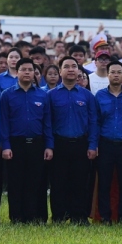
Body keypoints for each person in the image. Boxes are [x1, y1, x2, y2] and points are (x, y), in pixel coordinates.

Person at [0, 57, 53, 224]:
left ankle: (33, 217)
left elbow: (47, 123)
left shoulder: (42, 95)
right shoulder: (7, 95)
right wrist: (6, 146)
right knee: (16, 183)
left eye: (30, 70)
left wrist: (49, 146)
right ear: (17, 72)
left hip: (37, 144)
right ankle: (16, 217)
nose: (27, 73)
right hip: (15, 144)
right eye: (24, 70)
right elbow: (4, 123)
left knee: (35, 182)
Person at [48, 58, 99, 224]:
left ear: (79, 71)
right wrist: (49, 146)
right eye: (66, 67)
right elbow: (47, 123)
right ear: (60, 72)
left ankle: (79, 216)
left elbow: (93, 122)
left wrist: (92, 145)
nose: (70, 70)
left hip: (81, 144)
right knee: (58, 183)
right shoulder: (51, 95)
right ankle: (59, 216)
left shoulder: (87, 96)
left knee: (80, 182)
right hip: (59, 144)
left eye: (74, 67)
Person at [93, 60, 122, 223]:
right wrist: (94, 144)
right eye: (113, 72)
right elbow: (96, 122)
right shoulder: (99, 95)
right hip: (105, 144)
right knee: (104, 183)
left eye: (119, 72)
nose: (116, 75)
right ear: (108, 75)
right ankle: (105, 216)